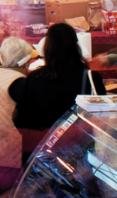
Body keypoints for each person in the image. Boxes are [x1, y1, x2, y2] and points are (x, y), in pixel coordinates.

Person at [9, 22, 84, 159]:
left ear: (48, 48)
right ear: (76, 46)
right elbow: (99, 122)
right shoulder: (89, 78)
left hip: (37, 157)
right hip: (76, 156)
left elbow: (18, 120)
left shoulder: (33, 78)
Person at [0, 37, 35, 195]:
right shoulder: (18, 82)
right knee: (12, 196)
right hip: (9, 150)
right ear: (25, 63)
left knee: (2, 189)